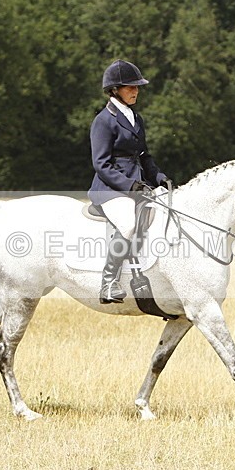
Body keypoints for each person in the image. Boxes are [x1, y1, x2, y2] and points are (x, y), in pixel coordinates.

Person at [88, 59, 170, 304]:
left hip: (137, 185)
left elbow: (143, 156)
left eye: (137, 87)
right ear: (115, 90)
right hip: (109, 189)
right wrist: (129, 186)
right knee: (127, 224)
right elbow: (101, 164)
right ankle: (109, 282)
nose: (135, 91)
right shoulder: (103, 121)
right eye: (129, 87)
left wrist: (159, 178)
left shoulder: (135, 118)